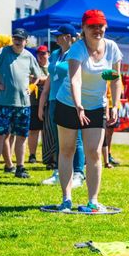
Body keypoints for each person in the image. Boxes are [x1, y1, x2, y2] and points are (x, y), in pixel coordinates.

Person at [54, 10, 122, 212]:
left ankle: (93, 200)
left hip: (96, 106)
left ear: (105, 27)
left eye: (100, 26)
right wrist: (78, 105)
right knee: (67, 150)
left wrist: (115, 104)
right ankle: (66, 199)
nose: (97, 30)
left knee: (94, 152)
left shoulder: (112, 48)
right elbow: (75, 79)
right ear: (83, 28)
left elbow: (115, 78)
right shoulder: (77, 49)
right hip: (69, 103)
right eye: (92, 26)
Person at [0, 28, 41, 179]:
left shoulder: (29, 56)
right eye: (15, 38)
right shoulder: (2, 52)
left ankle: (20, 168)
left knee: (21, 137)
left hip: (23, 104)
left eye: (21, 39)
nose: (18, 41)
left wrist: (32, 87)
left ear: (26, 41)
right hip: (2, 103)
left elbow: (37, 75)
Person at [38, 24, 85, 188]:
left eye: (59, 35)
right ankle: (59, 172)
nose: (56, 38)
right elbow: (50, 78)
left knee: (76, 139)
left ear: (68, 37)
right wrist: (43, 101)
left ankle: (78, 173)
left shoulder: (77, 53)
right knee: (59, 138)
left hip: (71, 100)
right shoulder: (55, 54)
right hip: (54, 99)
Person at [27, 45, 49, 164]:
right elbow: (32, 79)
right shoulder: (33, 66)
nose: (41, 56)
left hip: (48, 103)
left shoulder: (51, 66)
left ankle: (47, 154)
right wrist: (45, 79)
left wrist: (42, 79)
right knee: (33, 130)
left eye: (43, 53)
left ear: (48, 54)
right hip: (34, 102)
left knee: (47, 131)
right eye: (39, 54)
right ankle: (32, 155)